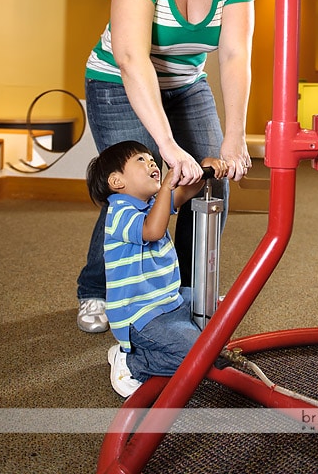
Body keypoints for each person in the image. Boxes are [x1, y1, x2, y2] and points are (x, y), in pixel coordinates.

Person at [77, 0, 255, 333]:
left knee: (211, 181)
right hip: (118, 81)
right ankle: (97, 288)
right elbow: (133, 59)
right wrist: (168, 147)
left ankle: (185, 288)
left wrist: (234, 139)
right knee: (138, 189)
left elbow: (235, 56)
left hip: (185, 83)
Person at [86, 140, 228, 396]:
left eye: (151, 159)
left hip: (169, 300)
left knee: (223, 311)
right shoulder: (118, 213)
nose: (151, 162)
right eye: (140, 160)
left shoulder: (151, 203)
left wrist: (202, 167)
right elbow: (153, 230)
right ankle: (133, 363)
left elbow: (185, 193)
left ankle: (158, 347)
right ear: (117, 182)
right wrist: (165, 187)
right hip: (139, 315)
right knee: (199, 355)